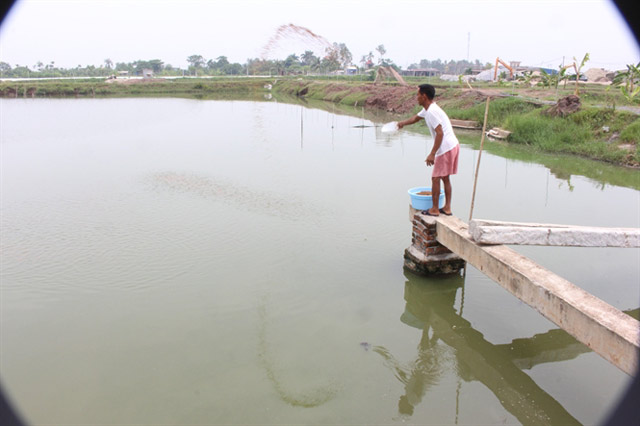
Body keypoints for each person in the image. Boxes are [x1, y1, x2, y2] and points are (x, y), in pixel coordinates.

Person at [398, 83, 459, 216]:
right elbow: (415, 118)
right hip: (452, 145)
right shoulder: (428, 109)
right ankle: (447, 208)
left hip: (445, 147)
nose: (416, 97)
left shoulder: (431, 112)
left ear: (424, 96)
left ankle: (435, 209)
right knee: (445, 177)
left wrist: (432, 154)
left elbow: (440, 133)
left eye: (418, 95)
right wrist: (402, 123)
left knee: (435, 178)